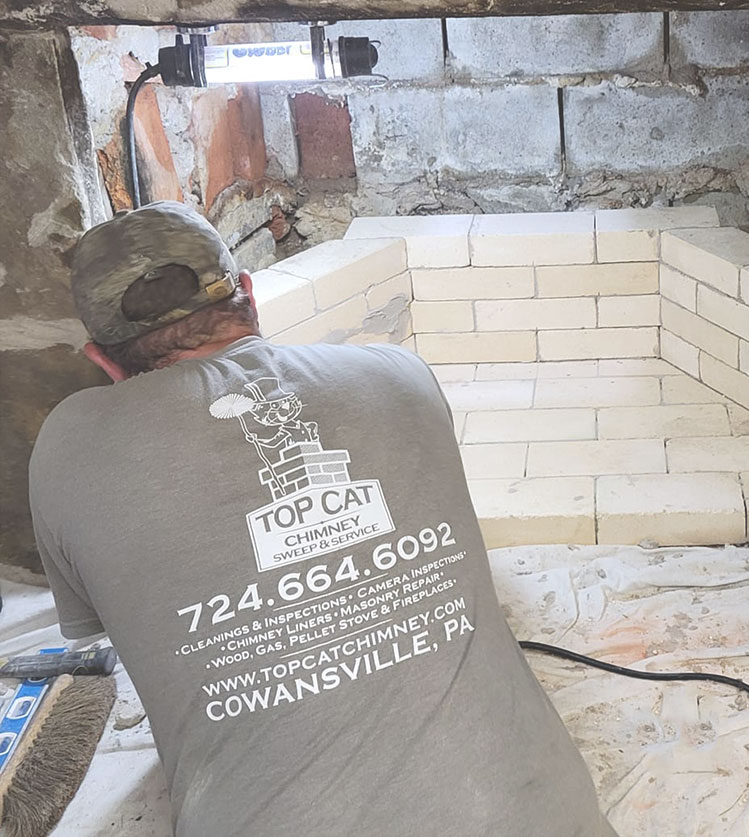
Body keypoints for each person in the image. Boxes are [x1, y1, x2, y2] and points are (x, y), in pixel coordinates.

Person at [29, 201, 616, 837]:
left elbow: (103, 624)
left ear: (103, 359)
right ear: (248, 294)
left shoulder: (69, 445)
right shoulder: (399, 375)